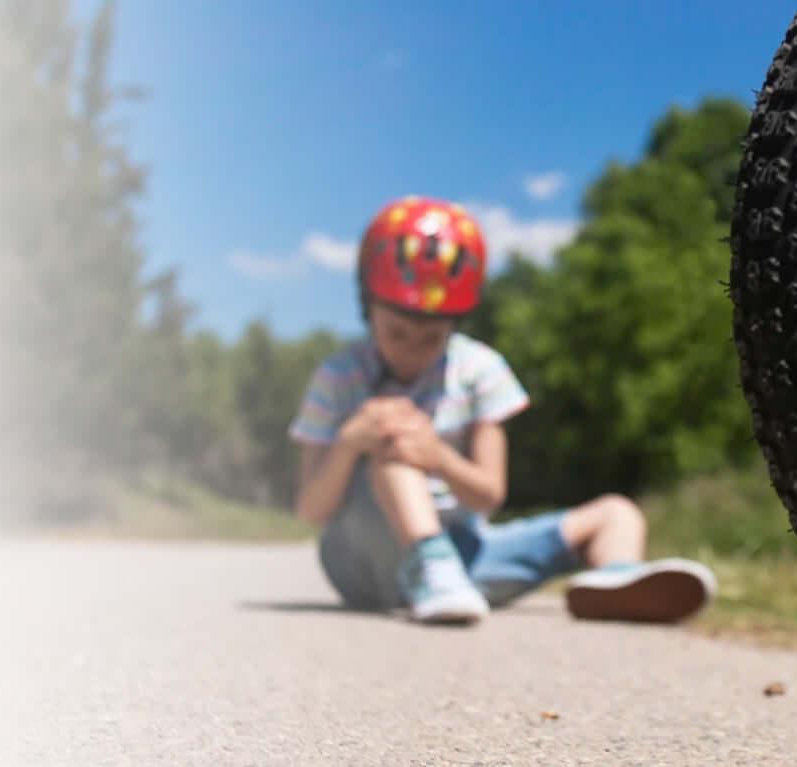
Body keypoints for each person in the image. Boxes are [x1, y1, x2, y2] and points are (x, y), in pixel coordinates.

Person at [287, 196, 716, 626]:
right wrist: (349, 443)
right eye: (395, 332)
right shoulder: (337, 376)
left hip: (464, 554)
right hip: (362, 559)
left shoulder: (480, 369)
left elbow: (488, 495)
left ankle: (614, 582)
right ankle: (429, 567)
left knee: (617, 512)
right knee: (393, 448)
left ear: (456, 323)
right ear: (368, 306)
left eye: (431, 339)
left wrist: (437, 457)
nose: (410, 351)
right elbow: (311, 511)